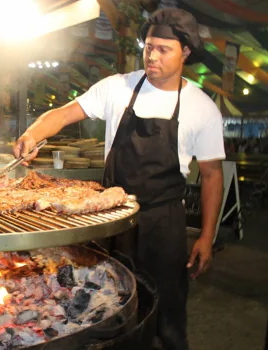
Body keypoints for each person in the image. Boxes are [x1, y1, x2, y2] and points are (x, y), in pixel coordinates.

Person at [13, 8, 224, 350]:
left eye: (163, 49)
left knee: (166, 316)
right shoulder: (117, 88)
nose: (151, 56)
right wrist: (32, 134)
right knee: (102, 307)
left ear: (185, 52)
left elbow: (213, 176)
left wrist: (207, 236)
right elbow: (64, 113)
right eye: (148, 46)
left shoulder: (201, 107)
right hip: (110, 218)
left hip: (164, 224)